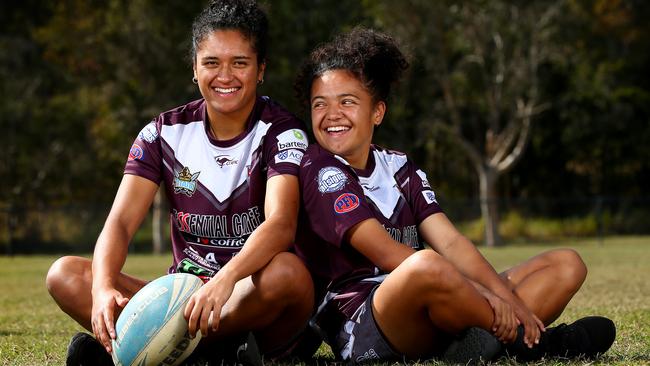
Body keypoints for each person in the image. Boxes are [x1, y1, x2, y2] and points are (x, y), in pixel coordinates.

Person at [293, 27, 616, 364]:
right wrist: (482, 294)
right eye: (320, 104)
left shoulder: (398, 165)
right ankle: (538, 343)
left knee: (566, 265)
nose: (332, 114)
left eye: (347, 101)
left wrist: (505, 297)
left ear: (377, 111)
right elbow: (386, 253)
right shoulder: (319, 168)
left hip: (439, 302)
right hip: (365, 322)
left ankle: (477, 343)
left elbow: (449, 242)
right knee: (425, 265)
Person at [45, 1, 315, 365]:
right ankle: (216, 354)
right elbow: (121, 224)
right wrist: (104, 287)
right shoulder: (163, 133)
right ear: (194, 67)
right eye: (211, 63)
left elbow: (281, 223)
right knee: (65, 275)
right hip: (183, 298)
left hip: (247, 291)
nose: (225, 76)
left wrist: (226, 281)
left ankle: (159, 351)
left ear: (261, 69)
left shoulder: (283, 132)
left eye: (240, 62)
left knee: (289, 274)